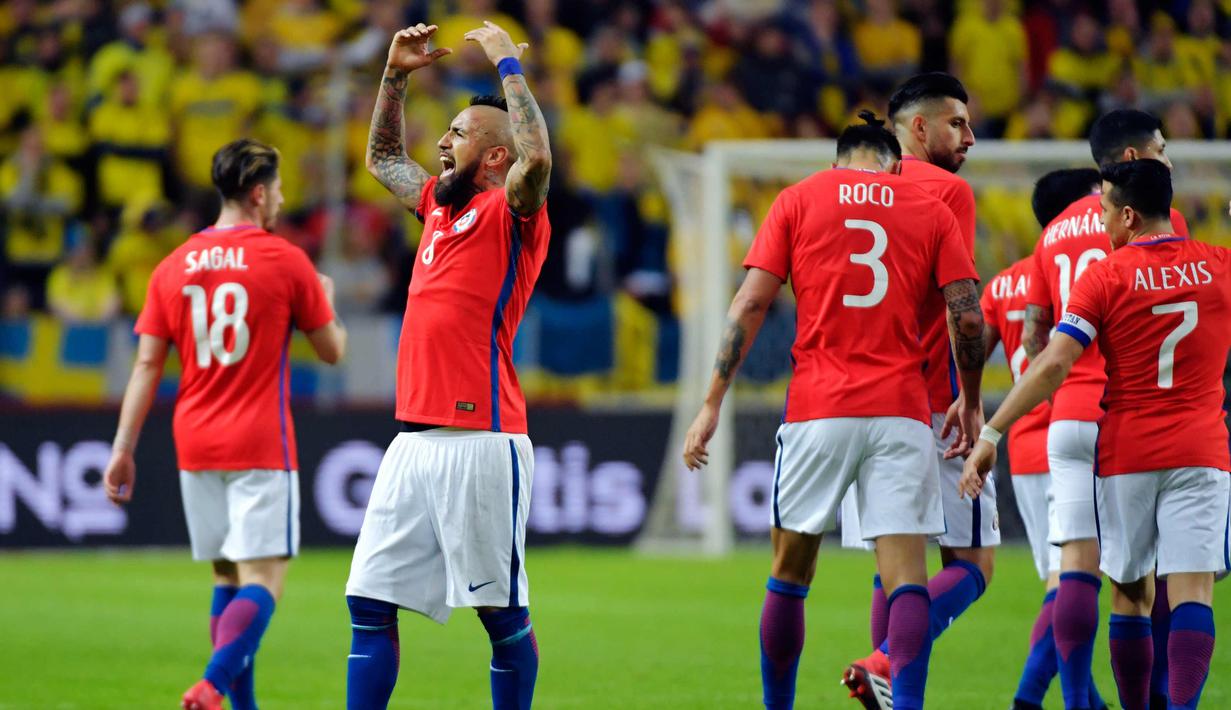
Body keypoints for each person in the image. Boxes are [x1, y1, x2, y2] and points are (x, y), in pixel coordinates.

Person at [682, 113, 985, 710]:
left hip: (818, 409)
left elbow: (749, 304)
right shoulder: (928, 208)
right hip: (902, 412)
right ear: (897, 163)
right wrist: (972, 403)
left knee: (789, 574)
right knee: (907, 580)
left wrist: (712, 403)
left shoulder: (800, 198)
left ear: (836, 161)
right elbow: (967, 314)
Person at [963, 158, 1228, 710]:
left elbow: (1054, 363)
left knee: (1130, 594)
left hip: (1128, 452)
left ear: (1128, 216)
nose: (1101, 222)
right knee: (1193, 596)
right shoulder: (1218, 265)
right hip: (1202, 450)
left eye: (1106, 210)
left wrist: (992, 429)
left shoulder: (1105, 276)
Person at [344, 21, 552, 710]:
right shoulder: (436, 207)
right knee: (368, 603)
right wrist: (395, 72)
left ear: (494, 157)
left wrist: (507, 63)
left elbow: (540, 162)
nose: (441, 141)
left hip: (482, 439)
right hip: (412, 441)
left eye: (458, 133)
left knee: (500, 620)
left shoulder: (513, 212)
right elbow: (380, 156)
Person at [101, 137, 348, 710]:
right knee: (264, 580)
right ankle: (212, 686)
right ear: (259, 193)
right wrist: (327, 300)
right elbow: (332, 350)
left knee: (226, 578)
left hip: (196, 439)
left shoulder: (173, 265)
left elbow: (145, 364)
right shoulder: (286, 260)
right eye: (280, 188)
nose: (283, 200)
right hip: (259, 440)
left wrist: (123, 447)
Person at [1021, 109, 1188, 710]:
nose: (1167, 155)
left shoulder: (1053, 232)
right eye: (1161, 146)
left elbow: (1037, 338)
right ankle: (1162, 694)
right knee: (1161, 567)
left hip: (1064, 414)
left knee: (1076, 565)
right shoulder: (1154, 216)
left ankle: (1073, 702)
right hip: (1130, 412)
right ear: (1136, 157)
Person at [840, 73, 996, 708]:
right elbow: (962, 308)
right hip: (933, 399)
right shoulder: (947, 191)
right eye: (958, 123)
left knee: (893, 564)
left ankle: (895, 694)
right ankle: (884, 658)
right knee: (974, 565)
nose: (971, 138)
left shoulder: (844, 189)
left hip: (855, 399)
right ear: (919, 128)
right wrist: (972, 395)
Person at [983, 168, 1111, 710]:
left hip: (1026, 441)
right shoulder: (1090, 264)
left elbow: (970, 354)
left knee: (1062, 584)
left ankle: (1084, 702)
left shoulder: (1004, 283)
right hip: (1076, 421)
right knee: (1075, 583)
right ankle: (1030, 698)